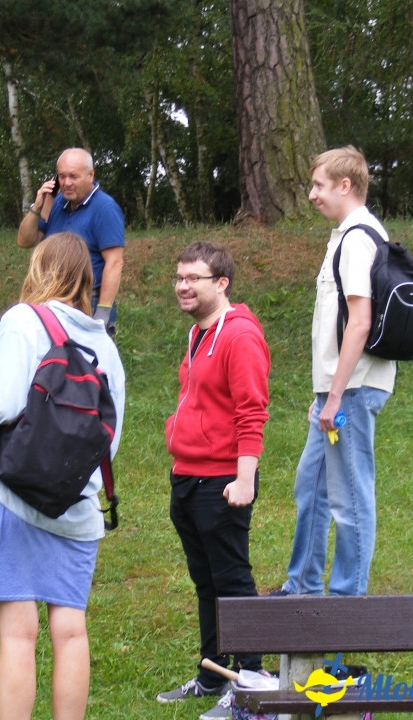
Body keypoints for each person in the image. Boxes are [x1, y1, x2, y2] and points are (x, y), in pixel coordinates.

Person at [0, 232, 125, 720]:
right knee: (71, 630)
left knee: (18, 632)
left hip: (13, 494)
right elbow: (108, 438)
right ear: (88, 280)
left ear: (39, 268)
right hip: (75, 503)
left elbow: (2, 404)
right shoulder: (105, 345)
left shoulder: (23, 321)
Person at [274, 146, 396, 598]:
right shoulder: (348, 235)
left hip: (353, 393)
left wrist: (337, 394)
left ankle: (347, 607)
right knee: (312, 487)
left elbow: (360, 322)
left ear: (346, 186)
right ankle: (302, 587)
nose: (311, 195)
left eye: (319, 185)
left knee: (349, 500)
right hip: (337, 391)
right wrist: (325, 391)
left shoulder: (358, 238)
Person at [158, 242, 271, 720]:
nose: (183, 286)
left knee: (232, 582)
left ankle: (252, 682)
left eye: (194, 278)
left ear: (221, 283)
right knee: (206, 582)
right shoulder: (198, 333)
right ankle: (212, 674)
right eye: (179, 277)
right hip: (187, 477)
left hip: (222, 481)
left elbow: (252, 411)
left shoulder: (239, 335)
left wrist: (244, 479)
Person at [16, 148, 125, 335]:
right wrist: (38, 206)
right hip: (50, 298)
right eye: (62, 176)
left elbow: (114, 262)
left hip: (86, 301)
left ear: (90, 175)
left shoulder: (105, 208)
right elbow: (24, 241)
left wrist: (103, 312)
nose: (66, 183)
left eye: (73, 177)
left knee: (88, 363)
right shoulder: (56, 203)